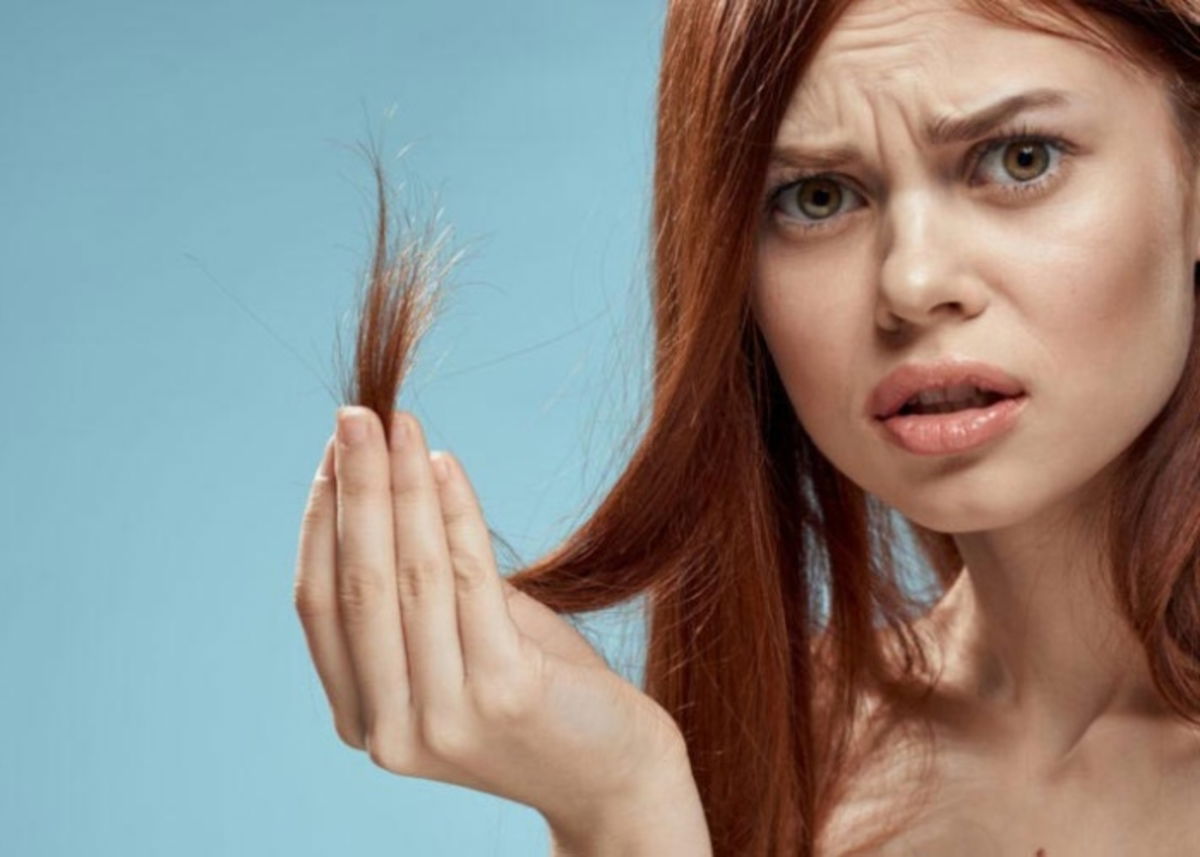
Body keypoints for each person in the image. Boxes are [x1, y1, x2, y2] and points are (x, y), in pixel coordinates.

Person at [292, 0, 1200, 854]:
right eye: (816, 197)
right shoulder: (778, 751)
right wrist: (619, 805)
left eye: (1020, 159)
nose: (912, 283)